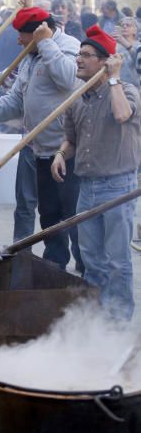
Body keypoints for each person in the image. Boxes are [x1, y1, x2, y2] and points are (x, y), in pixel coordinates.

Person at [0, 5, 83, 269]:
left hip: (67, 151)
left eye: (23, 35)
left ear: (40, 32)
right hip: (39, 148)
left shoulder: (67, 47)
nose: (18, 40)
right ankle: (55, 268)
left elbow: (68, 79)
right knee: (50, 216)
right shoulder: (29, 57)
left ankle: (86, 271)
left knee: (73, 217)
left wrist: (47, 44)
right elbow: (15, 100)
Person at [51, 25, 141, 320]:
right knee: (91, 260)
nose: (78, 59)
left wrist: (114, 78)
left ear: (105, 62)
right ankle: (95, 321)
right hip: (86, 188)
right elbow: (72, 140)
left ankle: (119, 322)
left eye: (86, 55)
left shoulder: (126, 91)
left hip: (118, 187)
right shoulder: (75, 99)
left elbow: (122, 114)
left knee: (117, 261)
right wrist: (61, 155)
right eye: (78, 53)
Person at [112, 17, 141, 89]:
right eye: (122, 25)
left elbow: (138, 62)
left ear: (135, 30)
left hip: (135, 87)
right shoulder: (115, 46)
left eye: (128, 25)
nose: (124, 27)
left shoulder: (138, 45)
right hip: (118, 85)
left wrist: (125, 43)